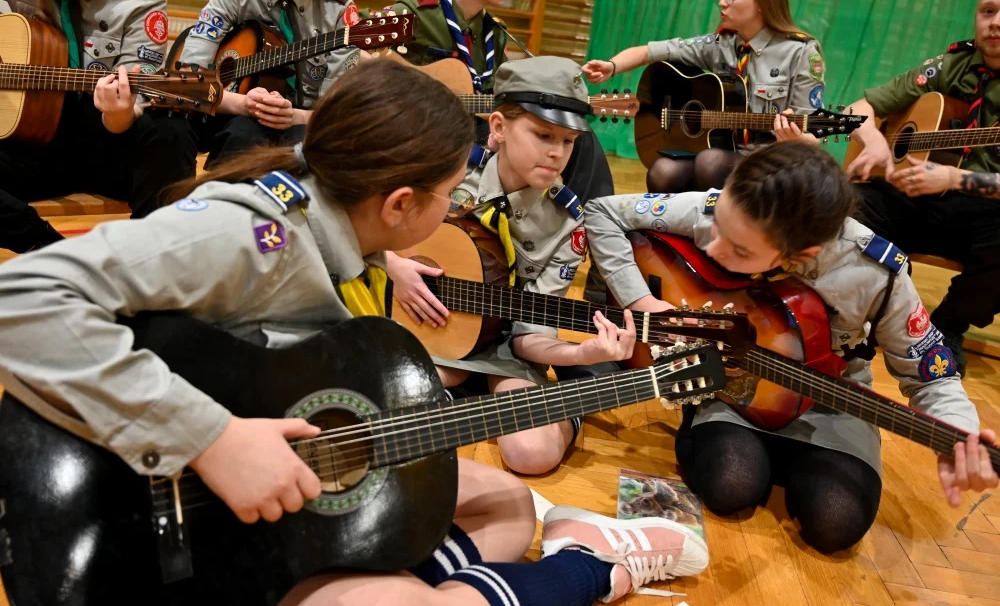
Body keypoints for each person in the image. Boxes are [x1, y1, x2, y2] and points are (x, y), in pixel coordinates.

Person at [0, 60, 707, 605]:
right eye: (445, 191)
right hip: (112, 528)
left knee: (509, 503)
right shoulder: (251, 233)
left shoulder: (337, 225)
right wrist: (210, 437)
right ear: (400, 203)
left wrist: (380, 254)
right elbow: (19, 297)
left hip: (244, 526)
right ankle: (590, 566)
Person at [584, 141, 998, 554]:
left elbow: (930, 373)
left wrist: (957, 432)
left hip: (830, 399)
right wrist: (642, 302)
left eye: (740, 249)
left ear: (802, 255)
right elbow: (601, 211)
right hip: (733, 384)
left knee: (836, 523)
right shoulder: (725, 209)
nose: (713, 247)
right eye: (719, 229)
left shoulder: (875, 271)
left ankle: (791, 454)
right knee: (731, 486)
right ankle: (716, 424)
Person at [388, 56, 636, 476]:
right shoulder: (446, 170)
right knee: (394, 392)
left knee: (532, 454)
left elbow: (527, 338)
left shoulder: (568, 223)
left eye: (570, 141)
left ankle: (553, 406)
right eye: (543, 134)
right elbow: (372, 227)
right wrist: (393, 265)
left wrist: (582, 353)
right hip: (433, 323)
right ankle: (464, 396)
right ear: (499, 128)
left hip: (504, 346)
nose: (557, 153)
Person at [845, 0, 1000, 378]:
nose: (995, 22)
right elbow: (856, 108)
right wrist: (876, 141)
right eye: (988, 11)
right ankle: (891, 307)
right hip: (913, 196)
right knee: (847, 201)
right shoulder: (950, 66)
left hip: (982, 214)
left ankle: (947, 326)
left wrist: (952, 179)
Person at [382, 0, 615, 210]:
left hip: (477, 128)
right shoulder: (417, 14)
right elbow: (353, 44)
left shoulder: (495, 32)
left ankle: (586, 219)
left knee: (574, 132)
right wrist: (410, 89)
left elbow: (499, 97)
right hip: (422, 130)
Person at [0, 0, 198, 254]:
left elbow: (127, 113)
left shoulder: (141, 3)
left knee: (170, 128)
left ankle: (146, 260)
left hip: (107, 145)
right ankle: (53, 253)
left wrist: (118, 112)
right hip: (34, 140)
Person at [582, 0, 825, 194]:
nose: (722, 2)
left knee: (710, 162)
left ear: (762, 0)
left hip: (773, 165)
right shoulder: (720, 44)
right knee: (662, 171)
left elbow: (813, 137)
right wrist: (611, 66)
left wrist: (794, 138)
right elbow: (649, 52)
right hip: (724, 153)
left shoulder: (801, 52)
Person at [179, 0, 363, 167]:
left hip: (304, 124)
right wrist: (244, 104)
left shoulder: (339, 10)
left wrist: (294, 116)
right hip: (229, 114)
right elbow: (186, 81)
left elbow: (336, 114)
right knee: (242, 134)